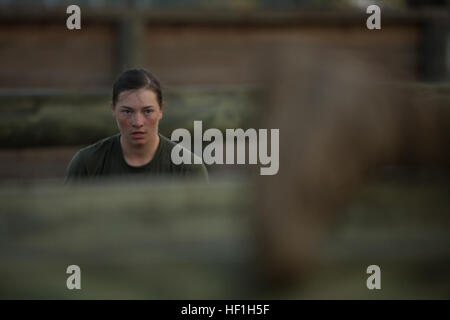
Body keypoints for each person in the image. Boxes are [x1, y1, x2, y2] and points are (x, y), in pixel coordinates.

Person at [65, 68, 208, 183]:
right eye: (127, 111)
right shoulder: (87, 163)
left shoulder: (187, 167)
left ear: (161, 110)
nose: (138, 122)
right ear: (113, 109)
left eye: (147, 111)